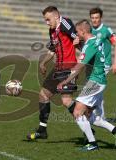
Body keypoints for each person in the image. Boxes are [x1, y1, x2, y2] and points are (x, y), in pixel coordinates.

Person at [57, 19, 116, 151]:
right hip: (99, 80)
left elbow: (79, 66)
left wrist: (66, 81)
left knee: (77, 112)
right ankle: (115, 130)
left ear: (82, 31)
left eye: (77, 32)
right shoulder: (96, 40)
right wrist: (79, 45)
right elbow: (91, 54)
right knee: (87, 115)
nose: (76, 34)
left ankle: (92, 144)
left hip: (95, 81)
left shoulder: (89, 44)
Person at [27, 6, 78, 140]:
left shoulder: (65, 23)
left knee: (66, 102)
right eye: (45, 20)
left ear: (56, 16)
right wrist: (43, 62)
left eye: (48, 19)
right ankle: (42, 130)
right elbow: (52, 49)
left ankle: (89, 128)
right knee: (43, 95)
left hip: (69, 68)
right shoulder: (52, 30)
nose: (47, 22)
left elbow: (77, 38)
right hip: (58, 68)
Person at [89, 7, 116, 119]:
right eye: (92, 18)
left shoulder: (106, 30)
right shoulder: (89, 30)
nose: (94, 20)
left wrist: (115, 63)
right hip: (92, 66)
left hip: (104, 65)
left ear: (100, 18)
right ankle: (102, 117)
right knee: (97, 93)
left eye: (97, 17)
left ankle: (93, 116)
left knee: (92, 91)